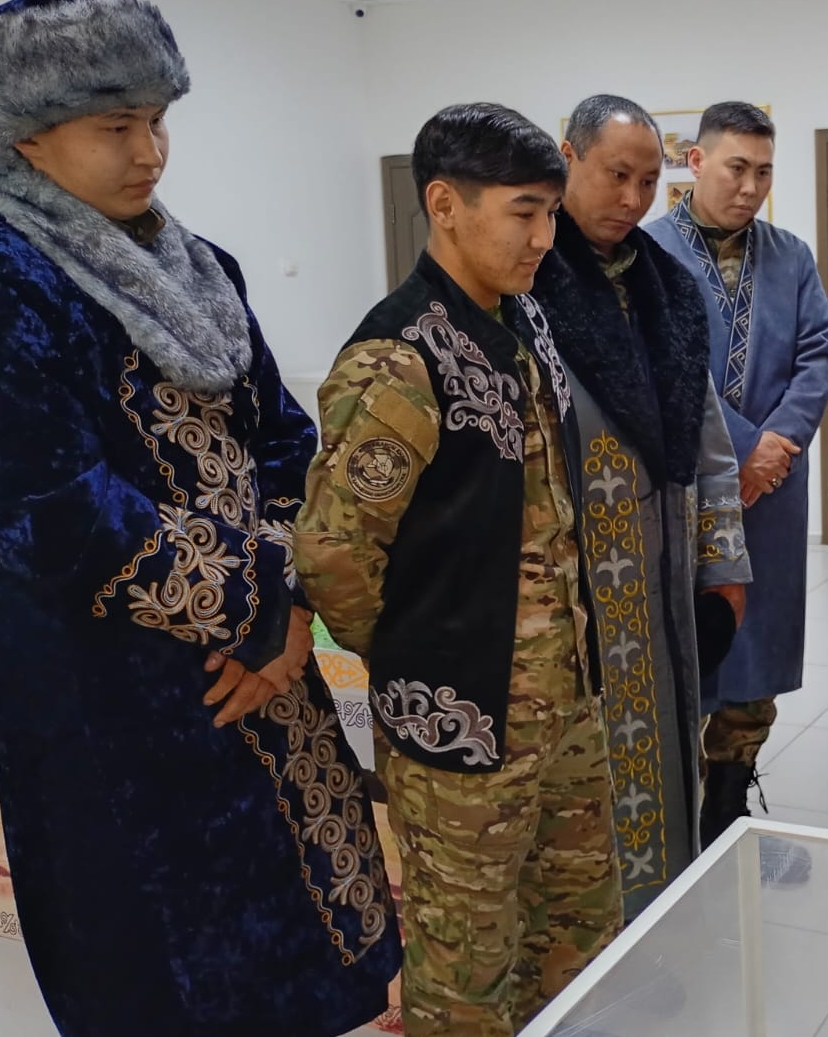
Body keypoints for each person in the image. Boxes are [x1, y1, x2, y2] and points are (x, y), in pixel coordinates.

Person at [0, 0, 398, 1037]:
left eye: (158, 120)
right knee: (161, 968)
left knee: (301, 946)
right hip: (107, 697)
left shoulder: (200, 266)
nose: (150, 151)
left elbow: (282, 437)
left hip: (262, 668)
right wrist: (259, 607)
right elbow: (48, 515)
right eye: (117, 126)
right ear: (29, 135)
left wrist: (286, 615)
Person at [294, 104, 621, 1036]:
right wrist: (419, 651)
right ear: (444, 204)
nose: (544, 237)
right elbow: (332, 553)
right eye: (523, 213)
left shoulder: (520, 323)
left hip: (564, 701)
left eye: (551, 212)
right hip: (459, 721)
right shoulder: (398, 358)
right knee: (464, 966)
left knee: (578, 930)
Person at [530, 94, 752, 919]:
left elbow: (708, 441)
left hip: (664, 577)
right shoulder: (527, 285)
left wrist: (725, 567)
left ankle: (664, 921)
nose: (631, 199)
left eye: (649, 182)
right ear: (567, 159)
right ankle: (598, 944)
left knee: (667, 756)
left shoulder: (666, 288)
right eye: (616, 175)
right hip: (574, 593)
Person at [647, 102, 828, 859]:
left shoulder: (791, 255)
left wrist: (778, 446)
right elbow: (663, 368)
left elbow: (819, 353)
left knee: (758, 647)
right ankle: (677, 828)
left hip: (771, 495)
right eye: (737, 168)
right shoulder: (648, 253)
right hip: (685, 489)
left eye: (764, 171)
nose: (751, 186)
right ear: (695, 162)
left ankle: (730, 810)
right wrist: (747, 446)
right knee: (689, 644)